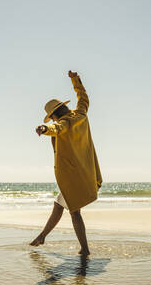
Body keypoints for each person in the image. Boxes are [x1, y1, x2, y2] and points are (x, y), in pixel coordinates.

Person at [30, 70, 102, 256]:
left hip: (73, 175)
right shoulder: (81, 114)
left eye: (51, 117)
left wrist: (44, 128)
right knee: (59, 205)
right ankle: (42, 237)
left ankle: (85, 249)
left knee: (74, 212)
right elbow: (84, 97)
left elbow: (57, 128)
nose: (53, 120)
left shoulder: (64, 123)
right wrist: (75, 79)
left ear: (54, 114)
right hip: (86, 172)